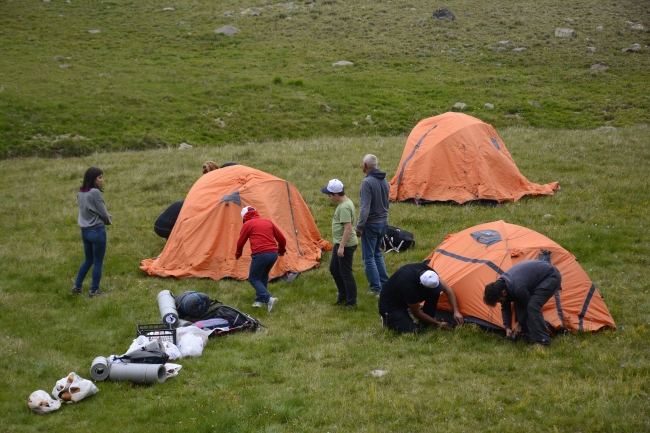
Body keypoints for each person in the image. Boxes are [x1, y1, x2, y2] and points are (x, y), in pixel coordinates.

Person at [483, 260, 562, 346]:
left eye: (500, 300)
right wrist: (507, 327)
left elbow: (527, 304)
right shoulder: (500, 285)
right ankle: (528, 336)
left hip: (550, 276)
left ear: (504, 292)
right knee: (520, 302)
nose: (501, 302)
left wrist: (518, 323)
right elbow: (505, 306)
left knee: (532, 306)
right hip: (536, 277)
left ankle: (543, 342)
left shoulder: (517, 288)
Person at [378, 263, 464, 333]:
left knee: (434, 292)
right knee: (414, 332)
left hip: (404, 297)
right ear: (421, 284)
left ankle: (426, 323)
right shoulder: (409, 288)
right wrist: (439, 323)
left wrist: (456, 311)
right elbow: (417, 313)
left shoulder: (430, 273)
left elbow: (448, 289)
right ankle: (388, 319)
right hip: (390, 305)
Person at [235, 206, 287, 313]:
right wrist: (281, 250)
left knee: (253, 278)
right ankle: (259, 300)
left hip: (260, 254)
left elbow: (241, 242)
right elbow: (282, 238)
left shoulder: (247, 224)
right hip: (273, 254)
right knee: (263, 275)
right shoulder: (267, 221)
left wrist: (238, 253)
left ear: (244, 217)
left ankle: (268, 299)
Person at [71, 167, 112, 298]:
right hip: (97, 230)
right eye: (99, 177)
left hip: (85, 231)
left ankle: (77, 286)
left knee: (88, 260)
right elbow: (103, 212)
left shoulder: (81, 192)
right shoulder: (95, 193)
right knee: (98, 262)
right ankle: (94, 290)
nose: (102, 180)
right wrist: (108, 220)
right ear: (92, 179)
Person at [355, 154, 390, 297]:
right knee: (377, 254)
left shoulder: (367, 183)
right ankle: (385, 284)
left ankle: (376, 288)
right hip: (383, 222)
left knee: (368, 257)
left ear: (364, 165)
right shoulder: (385, 180)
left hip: (371, 224)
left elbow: (365, 208)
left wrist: (359, 226)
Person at [321, 179, 358, 308]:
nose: (329, 197)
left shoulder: (344, 207)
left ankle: (351, 301)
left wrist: (341, 246)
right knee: (334, 269)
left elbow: (348, 228)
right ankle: (342, 295)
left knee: (346, 272)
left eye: (329, 195)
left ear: (336, 195)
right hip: (340, 243)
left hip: (345, 245)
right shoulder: (346, 203)